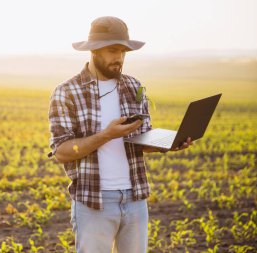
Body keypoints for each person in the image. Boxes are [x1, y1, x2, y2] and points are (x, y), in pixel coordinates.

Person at [48, 16, 192, 253]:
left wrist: (167, 143)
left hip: (135, 199)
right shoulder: (66, 92)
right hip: (94, 202)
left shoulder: (133, 87)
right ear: (94, 51)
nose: (120, 57)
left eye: (124, 51)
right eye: (113, 50)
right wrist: (106, 135)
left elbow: (140, 137)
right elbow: (62, 152)